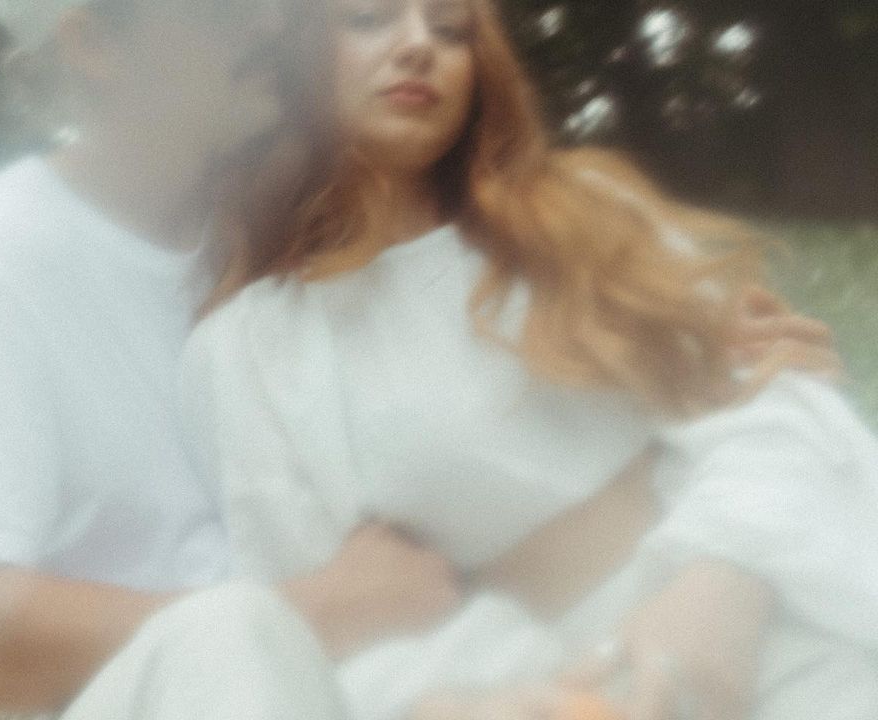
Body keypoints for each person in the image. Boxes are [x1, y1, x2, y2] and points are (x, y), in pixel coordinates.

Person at [178, 0, 878, 719]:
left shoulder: (587, 212)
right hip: (513, 696)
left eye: (450, 29)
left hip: (762, 622)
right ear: (291, 54)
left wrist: (720, 583)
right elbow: (326, 632)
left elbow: (770, 403)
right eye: (370, 18)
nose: (418, 44)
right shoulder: (246, 350)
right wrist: (541, 700)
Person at [0, 2, 466, 718]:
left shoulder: (295, 245)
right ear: (92, 43)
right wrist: (314, 611)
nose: (273, 22)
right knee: (228, 630)